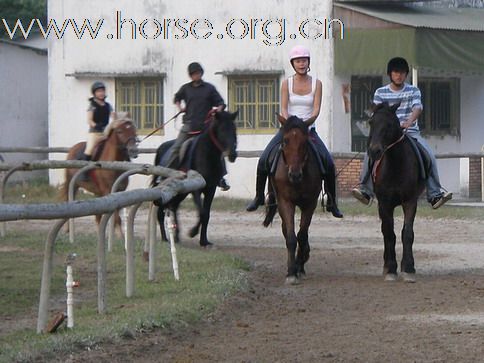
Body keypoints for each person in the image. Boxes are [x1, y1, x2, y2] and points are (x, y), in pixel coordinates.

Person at [246, 45, 343, 218]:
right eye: (298, 61)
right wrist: (290, 124)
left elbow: (316, 111)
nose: (301, 64)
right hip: (288, 130)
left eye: (304, 60)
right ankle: (259, 197)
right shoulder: (286, 84)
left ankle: (332, 201)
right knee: (263, 159)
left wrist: (304, 125)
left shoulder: (317, 84)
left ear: (308, 62)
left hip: (308, 130)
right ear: (293, 63)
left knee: (328, 162)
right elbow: (283, 108)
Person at [351, 57, 453, 209]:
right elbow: (377, 114)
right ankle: (365, 190)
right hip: (386, 136)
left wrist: (410, 121)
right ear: (390, 74)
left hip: (409, 132)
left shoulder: (413, 90)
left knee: (429, 155)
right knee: (370, 154)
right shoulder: (381, 92)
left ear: (406, 75)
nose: (399, 75)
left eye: (402, 73)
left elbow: (417, 108)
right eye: (396, 72)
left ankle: (434, 193)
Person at [167, 62, 230, 191]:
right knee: (176, 147)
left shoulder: (209, 88)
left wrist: (218, 110)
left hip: (206, 127)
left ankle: (221, 178)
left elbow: (221, 103)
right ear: (190, 75)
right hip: (189, 124)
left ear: (201, 73)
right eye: (194, 73)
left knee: (218, 149)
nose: (197, 75)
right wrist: (181, 108)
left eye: (198, 73)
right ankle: (165, 173)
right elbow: (176, 98)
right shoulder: (185, 88)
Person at [83, 81, 115, 160]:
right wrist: (97, 126)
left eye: (102, 91)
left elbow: (114, 116)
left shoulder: (108, 105)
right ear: (94, 93)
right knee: (89, 150)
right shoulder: (92, 106)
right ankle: (85, 167)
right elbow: (89, 121)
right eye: (98, 91)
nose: (101, 93)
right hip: (95, 133)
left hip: (106, 133)